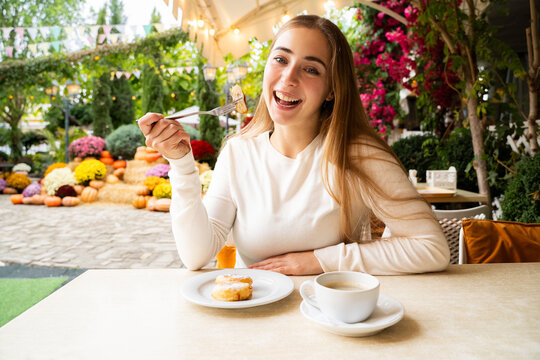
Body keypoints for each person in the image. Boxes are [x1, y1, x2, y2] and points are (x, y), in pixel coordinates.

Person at [138, 15, 450, 276]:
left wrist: (317, 261)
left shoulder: (355, 152)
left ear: (331, 89)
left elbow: (432, 247)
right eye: (281, 59)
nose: (288, 78)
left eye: (311, 69)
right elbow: (196, 255)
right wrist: (181, 164)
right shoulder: (238, 152)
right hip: (256, 319)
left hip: (332, 321)